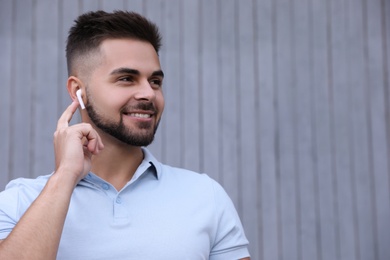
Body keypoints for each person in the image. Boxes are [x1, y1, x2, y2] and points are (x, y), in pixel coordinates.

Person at [0, 10, 250, 259]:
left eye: (155, 81)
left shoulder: (206, 196)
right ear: (78, 91)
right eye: (127, 78)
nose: (149, 94)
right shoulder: (19, 202)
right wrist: (65, 175)